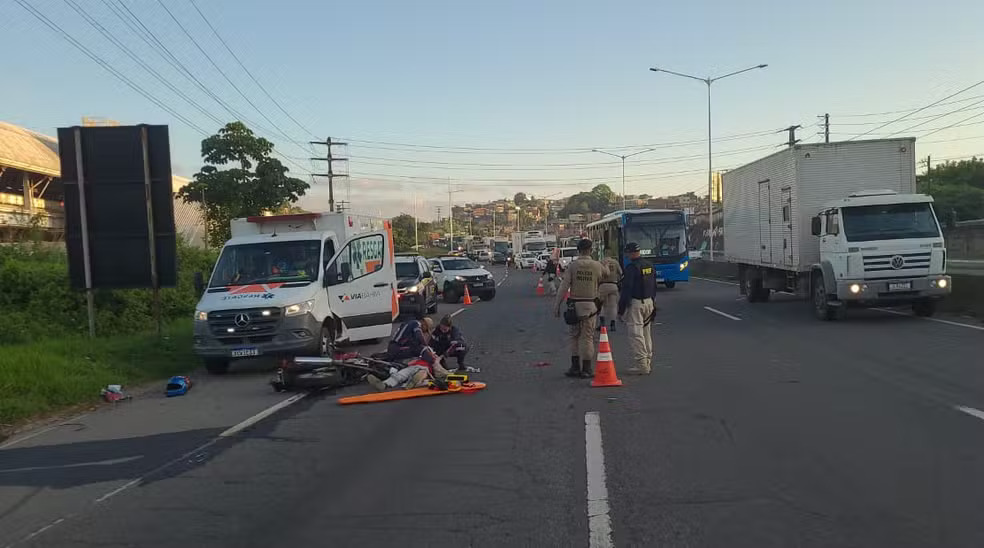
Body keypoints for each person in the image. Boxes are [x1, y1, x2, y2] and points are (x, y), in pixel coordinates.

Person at [554, 238, 610, 378]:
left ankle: (574, 366)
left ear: (578, 250)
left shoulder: (573, 266)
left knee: (574, 337)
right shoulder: (596, 265)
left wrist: (557, 305)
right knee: (588, 337)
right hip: (590, 305)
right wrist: (607, 264)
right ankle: (586, 368)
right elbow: (607, 274)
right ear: (590, 250)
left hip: (574, 305)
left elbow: (563, 287)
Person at [618, 242, 657, 375]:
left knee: (636, 334)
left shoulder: (631, 268)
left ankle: (642, 364)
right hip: (649, 302)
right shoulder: (649, 265)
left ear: (630, 253)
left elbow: (626, 290)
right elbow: (654, 285)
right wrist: (653, 303)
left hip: (636, 304)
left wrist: (621, 309)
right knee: (646, 333)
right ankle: (648, 361)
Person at [597, 250, 622, 333]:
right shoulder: (615, 262)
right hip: (613, 285)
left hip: (603, 285)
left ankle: (602, 324)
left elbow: (598, 275)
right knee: (613, 306)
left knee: (602, 305)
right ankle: (613, 324)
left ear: (603, 254)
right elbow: (621, 273)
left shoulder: (600, 262)